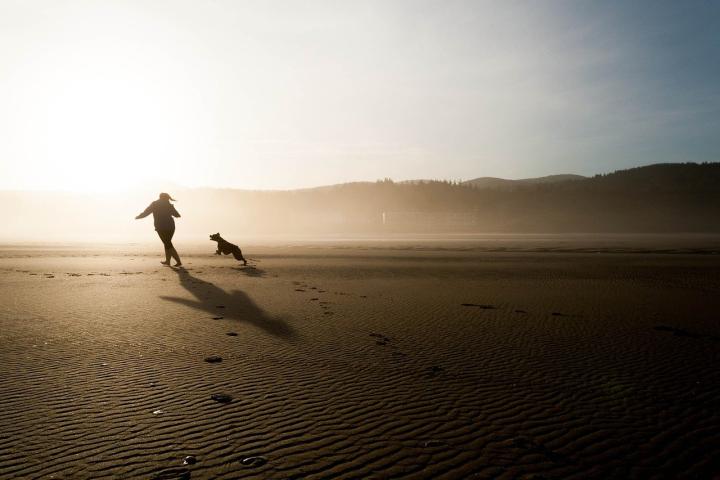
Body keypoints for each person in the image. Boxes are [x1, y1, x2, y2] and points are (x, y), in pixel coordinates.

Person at [135, 192, 182, 266]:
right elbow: (177, 215)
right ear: (166, 198)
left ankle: (178, 261)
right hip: (171, 226)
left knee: (168, 243)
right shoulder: (168, 204)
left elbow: (146, 212)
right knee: (167, 243)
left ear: (160, 197)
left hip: (161, 227)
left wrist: (139, 217)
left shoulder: (155, 204)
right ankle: (168, 261)